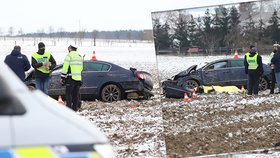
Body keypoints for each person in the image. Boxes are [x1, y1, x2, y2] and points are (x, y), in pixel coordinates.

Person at [60, 45, 83, 111]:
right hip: (78, 78)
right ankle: (75, 109)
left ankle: (69, 109)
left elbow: (65, 68)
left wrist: (63, 77)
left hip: (70, 78)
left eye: (68, 48)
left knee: (68, 94)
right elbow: (81, 68)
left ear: (70, 49)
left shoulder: (69, 56)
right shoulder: (79, 57)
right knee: (76, 95)